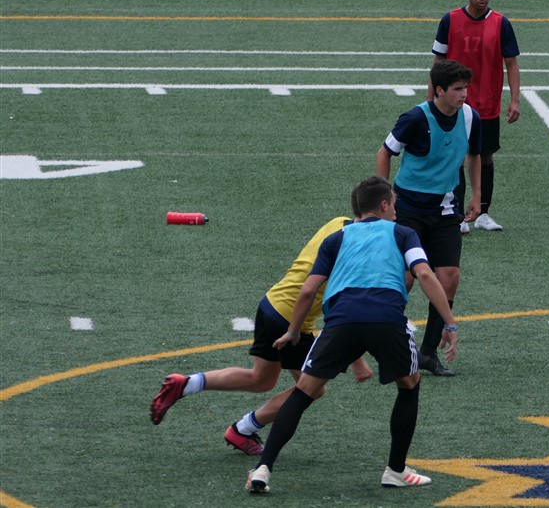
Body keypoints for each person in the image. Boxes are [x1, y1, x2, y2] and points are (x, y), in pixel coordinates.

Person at [245, 176, 459, 494]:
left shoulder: (336, 238)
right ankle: (395, 470)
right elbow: (425, 274)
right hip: (386, 319)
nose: (397, 211)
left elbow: (308, 291)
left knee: (303, 392)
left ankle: (263, 468)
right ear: (383, 205)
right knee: (409, 385)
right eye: (394, 204)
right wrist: (449, 323)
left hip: (341, 321)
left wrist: (293, 331)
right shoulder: (403, 233)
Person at [150, 213, 373, 455]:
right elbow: (340, 307)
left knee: (262, 379)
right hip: (291, 320)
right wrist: (357, 361)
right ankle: (243, 429)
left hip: (271, 303)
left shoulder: (338, 222)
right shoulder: (351, 251)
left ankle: (186, 384)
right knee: (313, 388)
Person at [377, 59, 481, 377]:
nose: (464, 94)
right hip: (407, 209)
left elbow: (474, 155)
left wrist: (477, 194)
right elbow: (385, 152)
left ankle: (428, 353)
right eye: (458, 89)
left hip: (446, 210)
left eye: (466, 88)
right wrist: (384, 199)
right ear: (439, 90)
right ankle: (385, 340)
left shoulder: (470, 117)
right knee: (406, 277)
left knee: (449, 277)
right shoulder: (414, 118)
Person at [428, 0, 521, 234]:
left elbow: (511, 63)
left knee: (484, 156)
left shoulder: (501, 23)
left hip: (488, 104)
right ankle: (457, 215)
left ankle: (483, 213)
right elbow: (438, 62)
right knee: (456, 156)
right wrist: (430, 99)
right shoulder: (450, 20)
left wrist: (515, 100)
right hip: (454, 104)